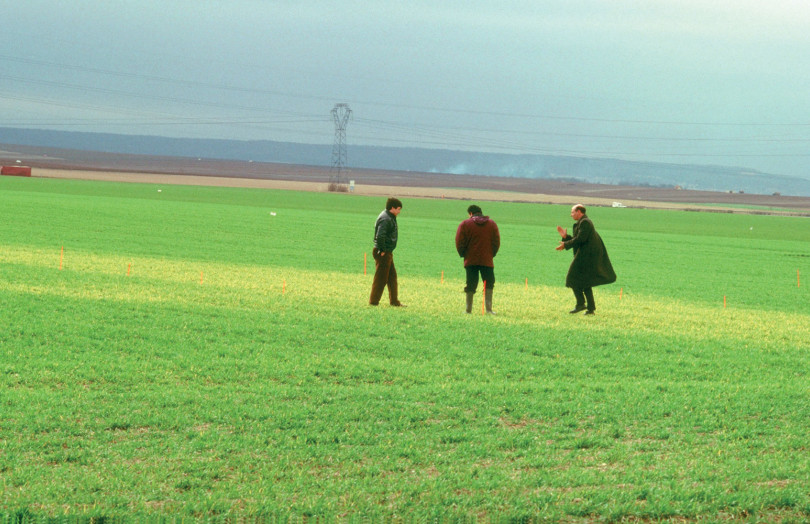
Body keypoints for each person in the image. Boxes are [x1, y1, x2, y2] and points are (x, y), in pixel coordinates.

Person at [556, 204, 616, 315]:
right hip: (587, 256)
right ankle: (591, 309)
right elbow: (577, 240)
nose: (571, 214)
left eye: (572, 212)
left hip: (586, 257)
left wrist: (565, 245)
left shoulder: (585, 223)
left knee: (572, 278)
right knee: (585, 282)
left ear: (579, 212)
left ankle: (580, 304)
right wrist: (566, 237)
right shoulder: (583, 223)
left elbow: (580, 239)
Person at [455, 204, 500, 314]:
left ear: (470, 213)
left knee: (470, 283)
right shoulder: (492, 224)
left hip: (471, 260)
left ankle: (468, 310)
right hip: (487, 260)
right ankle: (489, 310)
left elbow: (459, 241)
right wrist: (491, 254)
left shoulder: (465, 224)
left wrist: (463, 254)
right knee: (489, 283)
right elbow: (496, 242)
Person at [369, 197, 405, 306]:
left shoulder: (390, 216)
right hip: (383, 252)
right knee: (381, 279)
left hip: (387, 252)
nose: (399, 212)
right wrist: (383, 250)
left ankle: (394, 301)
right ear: (392, 208)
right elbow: (380, 236)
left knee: (392, 278)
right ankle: (374, 302)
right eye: (398, 209)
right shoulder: (386, 219)